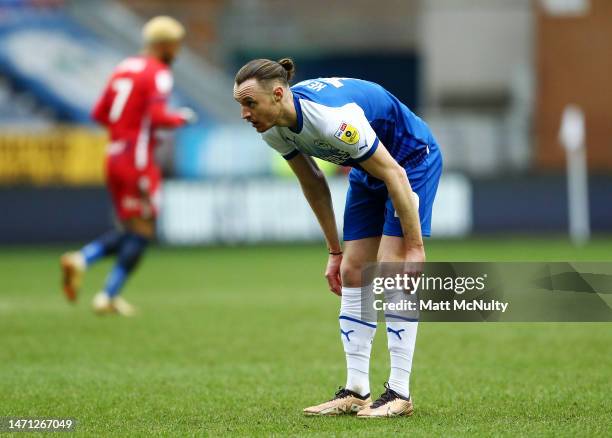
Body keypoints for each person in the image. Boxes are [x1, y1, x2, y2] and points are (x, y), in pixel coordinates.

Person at [233, 59, 442, 417]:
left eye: (249, 103)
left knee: (393, 270)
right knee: (353, 271)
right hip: (366, 167)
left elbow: (393, 173)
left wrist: (415, 248)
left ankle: (399, 393)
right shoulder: (272, 129)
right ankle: (357, 390)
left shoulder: (333, 120)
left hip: (408, 162)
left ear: (278, 94)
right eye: (241, 105)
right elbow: (313, 181)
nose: (244, 114)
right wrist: (334, 251)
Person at [60, 16, 196, 316]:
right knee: (144, 229)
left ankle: (92, 273)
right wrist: (182, 118)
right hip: (138, 159)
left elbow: (99, 113)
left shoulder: (124, 67)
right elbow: (159, 117)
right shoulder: (158, 72)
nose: (177, 52)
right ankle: (99, 283)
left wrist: (126, 127)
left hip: (114, 154)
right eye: (176, 46)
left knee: (130, 227)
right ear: (164, 45)